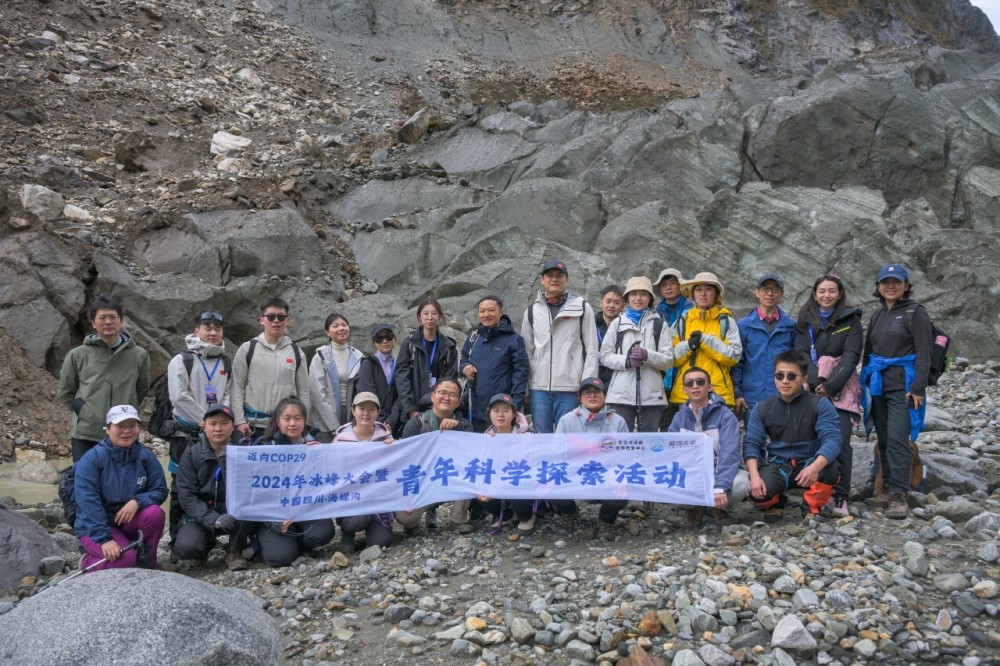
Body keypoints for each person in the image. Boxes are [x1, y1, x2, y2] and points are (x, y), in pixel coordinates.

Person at [860, 263, 932, 520]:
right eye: (885, 282)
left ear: (906, 286)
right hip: (878, 385)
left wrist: (918, 388)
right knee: (884, 439)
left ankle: (899, 494)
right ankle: (886, 488)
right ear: (878, 287)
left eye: (896, 282)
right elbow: (868, 352)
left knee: (898, 438)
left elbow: (925, 351)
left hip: (904, 387)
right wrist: (865, 383)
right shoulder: (878, 315)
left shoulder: (916, 312)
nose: (891, 286)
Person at [794, 274, 863, 516]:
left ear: (839, 294)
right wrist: (816, 382)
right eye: (822, 291)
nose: (826, 295)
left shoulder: (850, 320)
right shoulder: (805, 321)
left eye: (831, 291)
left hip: (841, 388)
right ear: (814, 295)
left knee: (841, 441)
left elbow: (852, 355)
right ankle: (817, 492)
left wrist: (831, 385)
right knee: (814, 439)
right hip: (811, 388)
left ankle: (841, 496)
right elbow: (801, 354)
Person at [744, 351, 842, 521]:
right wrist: (754, 476)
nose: (785, 381)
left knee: (830, 470)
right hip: (779, 464)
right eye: (779, 375)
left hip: (810, 462)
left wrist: (815, 466)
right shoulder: (762, 408)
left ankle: (811, 504)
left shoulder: (820, 404)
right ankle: (776, 502)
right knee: (758, 492)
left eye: (791, 376)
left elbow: (833, 439)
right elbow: (752, 443)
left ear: (804, 379)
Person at [165, 308, 233, 546]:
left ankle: (216, 531)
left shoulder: (225, 362)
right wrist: (205, 421)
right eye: (208, 328)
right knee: (180, 486)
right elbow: (178, 396)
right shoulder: (182, 360)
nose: (213, 333)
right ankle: (176, 538)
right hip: (186, 432)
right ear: (197, 331)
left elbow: (227, 394)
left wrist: (219, 418)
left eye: (217, 328)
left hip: (217, 430)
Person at [73, 405, 167, 572]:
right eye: (120, 426)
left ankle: (147, 563)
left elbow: (160, 489)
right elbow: (87, 503)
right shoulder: (92, 460)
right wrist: (104, 539)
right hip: (96, 526)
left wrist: (138, 501)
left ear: (138, 428)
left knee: (155, 513)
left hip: (127, 520)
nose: (126, 431)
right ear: (108, 429)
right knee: (124, 561)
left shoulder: (145, 457)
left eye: (132, 426)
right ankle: (87, 561)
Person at [59, 294, 151, 462]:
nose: (108, 322)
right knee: (85, 483)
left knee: (122, 483)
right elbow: (66, 391)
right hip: (87, 433)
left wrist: (129, 407)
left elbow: (142, 388)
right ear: (94, 323)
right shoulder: (77, 355)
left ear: (121, 321)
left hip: (124, 434)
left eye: (113, 317)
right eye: (102, 318)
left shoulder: (139, 355)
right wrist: (84, 412)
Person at [252, 398, 336, 566]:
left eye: (298, 418)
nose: (292, 423)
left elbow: (325, 483)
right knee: (280, 558)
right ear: (278, 421)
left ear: (304, 421)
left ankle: (300, 542)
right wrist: (273, 522)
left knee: (325, 532)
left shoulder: (313, 445)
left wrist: (320, 457)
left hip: (304, 508)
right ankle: (267, 542)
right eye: (287, 418)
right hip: (273, 513)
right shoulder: (264, 448)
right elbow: (256, 492)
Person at [522, 259, 600, 433]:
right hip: (539, 387)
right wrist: (526, 386)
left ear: (567, 279)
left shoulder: (582, 307)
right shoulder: (532, 311)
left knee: (569, 437)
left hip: (570, 386)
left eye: (559, 275)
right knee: (542, 437)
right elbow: (526, 351)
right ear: (542, 280)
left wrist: (587, 386)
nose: (554, 279)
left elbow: (592, 349)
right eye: (550, 275)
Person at [668, 367, 749, 526]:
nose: (695, 386)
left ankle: (715, 506)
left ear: (710, 386)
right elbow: (671, 453)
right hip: (691, 472)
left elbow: (730, 454)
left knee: (742, 483)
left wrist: (720, 486)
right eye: (690, 383)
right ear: (684, 389)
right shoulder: (679, 417)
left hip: (717, 469)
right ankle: (697, 506)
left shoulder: (726, 415)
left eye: (700, 382)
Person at [395, 378, 475, 534]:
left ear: (458, 402)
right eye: (442, 393)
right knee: (405, 518)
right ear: (433, 396)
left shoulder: (464, 424)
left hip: (451, 477)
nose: (446, 397)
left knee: (471, 470)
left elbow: (472, 455)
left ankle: (458, 519)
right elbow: (406, 461)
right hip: (423, 479)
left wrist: (457, 429)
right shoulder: (416, 423)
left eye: (452, 395)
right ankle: (423, 512)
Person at [553, 377, 629, 539]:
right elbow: (557, 451)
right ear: (579, 398)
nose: (592, 396)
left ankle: (606, 520)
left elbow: (626, 454)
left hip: (606, 473)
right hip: (575, 472)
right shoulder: (567, 420)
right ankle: (570, 512)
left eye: (597, 392)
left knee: (625, 485)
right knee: (551, 480)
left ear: (605, 396)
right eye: (587, 392)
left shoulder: (618, 421)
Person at [174, 405, 248, 570]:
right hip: (203, 512)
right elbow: (186, 496)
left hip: (234, 511)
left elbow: (252, 489)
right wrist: (211, 518)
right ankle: (204, 547)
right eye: (213, 423)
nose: (218, 428)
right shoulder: (192, 453)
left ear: (233, 426)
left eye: (224, 423)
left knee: (247, 507)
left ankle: (235, 550)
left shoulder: (244, 451)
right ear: (204, 425)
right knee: (187, 548)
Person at [600, 276, 673, 431]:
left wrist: (647, 355)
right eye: (634, 294)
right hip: (620, 395)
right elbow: (605, 356)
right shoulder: (617, 323)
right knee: (621, 442)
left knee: (649, 442)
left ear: (650, 298)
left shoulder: (660, 324)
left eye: (643, 294)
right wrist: (627, 361)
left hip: (652, 396)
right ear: (627, 298)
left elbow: (668, 360)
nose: (638, 298)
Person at [231, 298, 309, 441]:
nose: (276, 321)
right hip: (252, 425)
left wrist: (303, 422)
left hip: (285, 427)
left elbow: (303, 391)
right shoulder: (248, 349)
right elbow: (237, 386)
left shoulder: (297, 352)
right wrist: (239, 421)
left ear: (287, 320)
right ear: (262, 320)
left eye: (281, 317)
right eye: (271, 317)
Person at [668, 272, 742, 411]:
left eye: (708, 289)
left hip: (718, 394)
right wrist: (688, 346)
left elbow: (733, 356)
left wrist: (705, 340)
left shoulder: (726, 322)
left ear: (716, 294)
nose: (703, 294)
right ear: (692, 294)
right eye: (699, 289)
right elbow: (671, 358)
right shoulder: (682, 322)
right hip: (686, 395)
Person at [333, 392, 395, 553]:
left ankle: (373, 527)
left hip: (378, 500)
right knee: (357, 520)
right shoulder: (341, 437)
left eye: (371, 409)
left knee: (381, 542)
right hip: (352, 498)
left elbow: (394, 468)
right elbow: (330, 467)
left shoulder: (385, 436)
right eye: (361, 408)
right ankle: (348, 531)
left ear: (377, 412)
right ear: (353, 410)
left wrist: (394, 448)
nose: (366, 413)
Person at [732, 273, 797, 422]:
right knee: (753, 442)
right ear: (757, 292)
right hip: (752, 398)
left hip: (782, 396)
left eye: (775, 289)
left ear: (782, 294)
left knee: (782, 443)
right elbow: (737, 363)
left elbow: (796, 362)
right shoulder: (744, 326)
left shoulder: (790, 326)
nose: (769, 293)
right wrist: (738, 393)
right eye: (765, 289)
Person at [460, 295, 530, 433]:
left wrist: (514, 405)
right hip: (475, 406)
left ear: (501, 312)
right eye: (482, 311)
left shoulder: (513, 340)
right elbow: (463, 359)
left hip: (501, 410)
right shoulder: (474, 337)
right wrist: (465, 367)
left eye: (491, 310)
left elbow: (521, 373)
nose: (486, 315)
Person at [475, 393, 536, 536]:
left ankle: (526, 517)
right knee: (480, 492)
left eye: (506, 410)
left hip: (522, 482)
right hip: (498, 481)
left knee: (516, 489)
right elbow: (483, 466)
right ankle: (507, 516)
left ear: (514, 414)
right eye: (496, 410)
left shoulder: (528, 436)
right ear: (489, 414)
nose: (501, 415)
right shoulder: (485, 438)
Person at [396, 299, 459, 423]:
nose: (430, 317)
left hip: (440, 410)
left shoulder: (449, 347)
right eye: (426, 314)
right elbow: (402, 378)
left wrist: (442, 410)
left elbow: (451, 380)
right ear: (419, 317)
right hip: (413, 408)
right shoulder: (410, 343)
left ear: (440, 317)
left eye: (434, 313)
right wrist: (411, 409)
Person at [308, 312, 364, 440]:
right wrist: (334, 426)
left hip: (351, 415)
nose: (341, 328)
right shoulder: (320, 357)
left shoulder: (358, 356)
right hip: (325, 421)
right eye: (335, 326)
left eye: (344, 325)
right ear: (327, 332)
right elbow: (317, 393)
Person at [654, 268, 692, 429]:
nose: (668, 288)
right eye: (664, 285)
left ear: (681, 286)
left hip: (687, 370)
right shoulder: (655, 314)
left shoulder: (693, 311)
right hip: (662, 375)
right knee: (665, 421)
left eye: (672, 283)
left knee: (689, 420)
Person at [356, 323, 404, 436]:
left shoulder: (400, 364)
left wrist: (391, 420)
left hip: (394, 424)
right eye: (379, 338)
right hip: (371, 422)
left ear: (394, 339)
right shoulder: (368, 364)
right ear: (374, 343)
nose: (384, 341)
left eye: (388, 336)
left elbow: (401, 396)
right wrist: (381, 421)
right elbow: (367, 394)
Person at [595, 285, 624, 386]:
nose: (611, 305)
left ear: (623, 306)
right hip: (593, 379)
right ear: (601, 303)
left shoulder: (626, 327)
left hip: (617, 380)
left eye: (617, 303)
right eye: (608, 301)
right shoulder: (589, 325)